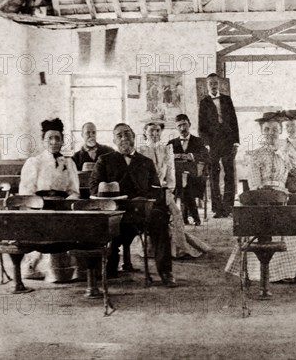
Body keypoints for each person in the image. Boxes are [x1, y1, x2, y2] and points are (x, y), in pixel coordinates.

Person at [225, 111, 296, 283]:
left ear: (280, 130)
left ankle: (283, 274)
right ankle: (256, 272)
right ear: (262, 131)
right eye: (266, 129)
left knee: (286, 230)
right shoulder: (256, 155)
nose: (270, 133)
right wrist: (267, 195)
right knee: (261, 227)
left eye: (275, 129)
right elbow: (254, 184)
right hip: (260, 199)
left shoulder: (286, 154)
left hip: (282, 198)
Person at [89, 123, 177, 287]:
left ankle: (165, 272)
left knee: (160, 219)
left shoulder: (146, 162)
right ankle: (108, 267)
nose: (123, 138)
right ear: (114, 140)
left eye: (127, 134)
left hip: (141, 211)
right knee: (103, 226)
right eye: (119, 135)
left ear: (134, 136)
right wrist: (110, 194)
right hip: (114, 212)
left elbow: (156, 190)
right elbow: (93, 188)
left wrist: (143, 198)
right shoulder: (105, 160)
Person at [138, 115, 210, 259]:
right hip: (146, 194)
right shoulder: (141, 151)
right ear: (145, 132)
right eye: (151, 130)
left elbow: (170, 172)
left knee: (176, 214)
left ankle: (179, 248)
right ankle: (151, 249)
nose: (155, 134)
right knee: (155, 217)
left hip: (163, 191)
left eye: (158, 131)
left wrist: (169, 190)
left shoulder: (167, 149)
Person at [19, 118, 79, 283]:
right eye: (49, 138)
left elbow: (73, 191)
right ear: (43, 141)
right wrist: (39, 205)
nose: (54, 142)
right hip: (40, 208)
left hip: (62, 208)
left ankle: (65, 270)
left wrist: (67, 203)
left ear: (62, 141)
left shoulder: (69, 163)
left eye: (57, 138)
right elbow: (26, 191)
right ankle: (38, 268)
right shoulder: (34, 162)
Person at [198, 73, 239, 218]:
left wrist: (236, 141)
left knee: (229, 173)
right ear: (207, 85)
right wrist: (206, 144)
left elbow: (234, 121)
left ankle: (229, 206)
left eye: (216, 83)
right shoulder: (204, 102)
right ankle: (217, 208)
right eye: (211, 84)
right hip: (213, 142)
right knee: (214, 175)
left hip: (228, 140)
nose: (214, 86)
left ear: (219, 84)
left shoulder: (227, 100)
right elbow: (201, 126)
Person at [168, 114, 209, 226]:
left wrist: (190, 156)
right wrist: (175, 156)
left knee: (186, 186)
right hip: (177, 177)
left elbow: (206, 157)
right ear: (176, 128)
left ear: (189, 124)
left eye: (184, 125)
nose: (182, 128)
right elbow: (167, 159)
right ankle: (193, 217)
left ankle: (185, 217)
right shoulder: (172, 143)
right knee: (182, 185)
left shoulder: (198, 141)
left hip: (195, 177)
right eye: (179, 126)